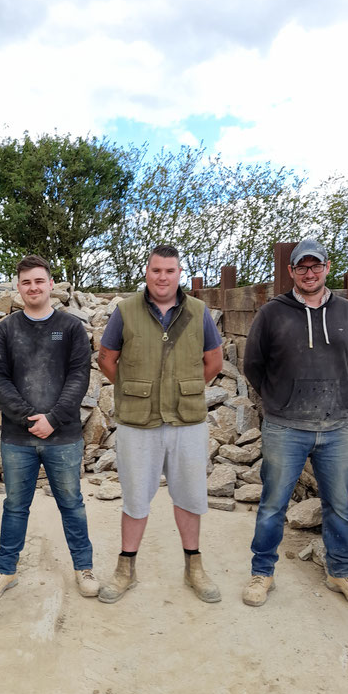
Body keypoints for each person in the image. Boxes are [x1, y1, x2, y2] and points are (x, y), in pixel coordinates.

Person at [242, 238, 348, 609]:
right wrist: (279, 399)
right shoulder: (272, 313)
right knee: (272, 505)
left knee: (338, 505)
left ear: (327, 268)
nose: (310, 273)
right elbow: (253, 364)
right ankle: (262, 572)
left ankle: (340, 571)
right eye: (302, 267)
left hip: (336, 427)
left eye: (316, 266)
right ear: (291, 272)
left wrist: (336, 397)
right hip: (285, 426)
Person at [97, 244, 224, 604]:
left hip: (187, 422)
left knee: (189, 495)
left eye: (169, 271)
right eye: (156, 271)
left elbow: (213, 363)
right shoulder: (125, 311)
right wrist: (133, 390)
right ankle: (126, 568)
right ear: (147, 273)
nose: (162, 277)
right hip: (139, 423)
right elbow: (107, 359)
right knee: (136, 497)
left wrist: (184, 390)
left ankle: (194, 567)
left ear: (179, 274)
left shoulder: (199, 312)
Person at [0, 254, 98, 600]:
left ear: (50, 284)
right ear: (18, 288)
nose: (33, 287)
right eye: (26, 282)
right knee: (15, 506)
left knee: (72, 503)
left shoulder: (72, 327)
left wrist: (54, 418)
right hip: (18, 438)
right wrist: (30, 417)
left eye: (39, 280)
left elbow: (79, 376)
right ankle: (5, 571)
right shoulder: (6, 329)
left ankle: (84, 567)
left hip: (63, 437)